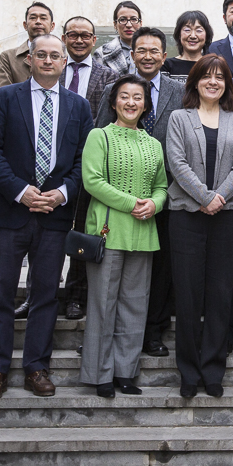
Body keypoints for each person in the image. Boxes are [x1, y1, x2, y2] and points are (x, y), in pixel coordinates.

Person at [0, 34, 93, 400]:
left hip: (53, 217)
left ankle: (36, 368)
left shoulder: (79, 106)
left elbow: (84, 159)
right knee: (1, 293)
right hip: (8, 212)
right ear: (29, 59)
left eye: (54, 56)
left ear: (64, 63)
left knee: (45, 295)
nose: (47, 61)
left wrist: (62, 194)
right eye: (40, 54)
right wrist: (19, 190)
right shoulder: (5, 98)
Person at [165, 54, 233, 398]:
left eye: (220, 77)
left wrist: (219, 197)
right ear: (195, 81)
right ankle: (188, 372)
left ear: (227, 84)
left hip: (227, 217)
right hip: (186, 215)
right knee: (187, 294)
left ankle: (213, 370)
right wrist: (203, 196)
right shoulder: (179, 117)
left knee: (220, 293)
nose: (213, 82)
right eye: (206, 76)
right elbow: (176, 162)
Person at [78, 74, 167, 398]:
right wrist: (133, 204)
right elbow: (92, 181)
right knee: (103, 305)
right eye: (125, 96)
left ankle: (125, 372)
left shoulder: (154, 144)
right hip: (108, 232)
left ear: (145, 105)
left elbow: (161, 186)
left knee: (135, 306)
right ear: (114, 102)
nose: (131, 102)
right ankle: (100, 374)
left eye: (138, 97)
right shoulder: (99, 136)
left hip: (143, 233)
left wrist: (155, 204)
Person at [97, 26, 184, 357]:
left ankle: (153, 331)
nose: (148, 56)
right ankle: (104, 336)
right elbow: (100, 135)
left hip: (165, 195)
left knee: (160, 270)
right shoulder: (115, 90)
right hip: (119, 200)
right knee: (115, 273)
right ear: (132, 55)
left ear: (164, 56)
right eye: (141, 50)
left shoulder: (179, 91)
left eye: (154, 51)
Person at [59, 15, 117, 320]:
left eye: (85, 35)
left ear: (94, 40)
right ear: (64, 38)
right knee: (49, 236)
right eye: (73, 35)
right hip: (54, 166)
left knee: (82, 232)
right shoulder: (52, 71)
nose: (79, 40)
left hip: (90, 165)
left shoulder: (108, 76)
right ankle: (38, 293)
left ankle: (76, 296)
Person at [0, 2, 54, 87]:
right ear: (25, 25)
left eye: (43, 18)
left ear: (52, 26)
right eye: (33, 18)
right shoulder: (8, 57)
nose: (38, 21)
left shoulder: (62, 57)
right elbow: (4, 92)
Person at [162, 10, 214, 78]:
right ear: (179, 34)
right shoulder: (166, 65)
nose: (193, 36)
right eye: (187, 30)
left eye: (199, 31)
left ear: (207, 35)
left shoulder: (213, 66)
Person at [97, 1, 143, 75]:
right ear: (115, 24)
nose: (128, 25)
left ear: (140, 23)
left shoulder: (154, 51)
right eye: (123, 20)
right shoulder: (101, 53)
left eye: (134, 19)